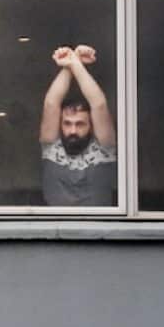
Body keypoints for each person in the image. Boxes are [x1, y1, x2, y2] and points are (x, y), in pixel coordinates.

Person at [39, 44, 117, 206]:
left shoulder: (104, 149)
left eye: (80, 124)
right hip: (54, 229)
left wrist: (75, 64)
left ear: (91, 126)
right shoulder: (52, 147)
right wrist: (70, 64)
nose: (72, 130)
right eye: (67, 123)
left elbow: (99, 104)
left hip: (99, 229)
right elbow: (51, 104)